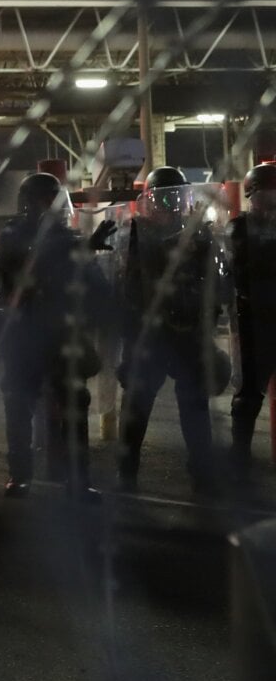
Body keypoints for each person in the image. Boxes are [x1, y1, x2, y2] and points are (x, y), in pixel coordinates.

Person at [0, 173, 106, 502]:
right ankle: (20, 476)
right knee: (18, 404)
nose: (56, 209)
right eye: (49, 202)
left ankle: (78, 480)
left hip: (61, 332)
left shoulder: (67, 237)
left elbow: (88, 280)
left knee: (74, 404)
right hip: (25, 334)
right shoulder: (13, 234)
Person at [118, 166, 228, 494]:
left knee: (194, 404)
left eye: (176, 198)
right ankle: (127, 471)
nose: (170, 206)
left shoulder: (199, 233)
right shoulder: (136, 234)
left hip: (188, 331)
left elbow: (217, 279)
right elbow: (126, 281)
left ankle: (202, 470)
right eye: (162, 199)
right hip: (148, 333)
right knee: (137, 404)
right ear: (149, 203)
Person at [229, 163, 276, 477]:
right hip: (254, 319)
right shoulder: (240, 228)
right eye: (265, 198)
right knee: (248, 395)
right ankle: (240, 457)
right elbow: (235, 272)